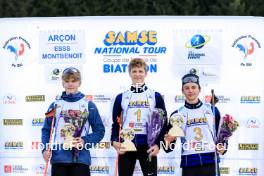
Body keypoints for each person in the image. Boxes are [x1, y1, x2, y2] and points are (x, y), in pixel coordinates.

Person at [41, 67, 105, 176]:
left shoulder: (88, 105)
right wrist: (44, 150)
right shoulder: (55, 105)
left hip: (81, 159)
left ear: (79, 82)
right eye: (67, 81)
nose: (70, 84)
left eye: (74, 80)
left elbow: (99, 131)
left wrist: (85, 140)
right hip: (59, 159)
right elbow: (46, 130)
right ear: (62, 83)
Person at [111, 58, 167, 176]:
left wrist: (158, 143)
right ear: (129, 73)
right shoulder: (121, 97)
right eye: (134, 71)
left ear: (146, 73)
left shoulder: (155, 96)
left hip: (148, 144)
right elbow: (115, 123)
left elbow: (163, 123)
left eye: (140, 71)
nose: (137, 74)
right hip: (126, 143)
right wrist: (114, 140)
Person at [164, 72, 226, 176]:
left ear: (199, 89)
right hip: (189, 163)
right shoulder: (177, 114)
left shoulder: (212, 110)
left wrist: (223, 147)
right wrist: (168, 141)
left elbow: (221, 135)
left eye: (193, 87)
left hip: (210, 161)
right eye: (187, 88)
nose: (190, 90)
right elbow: (168, 148)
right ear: (182, 91)